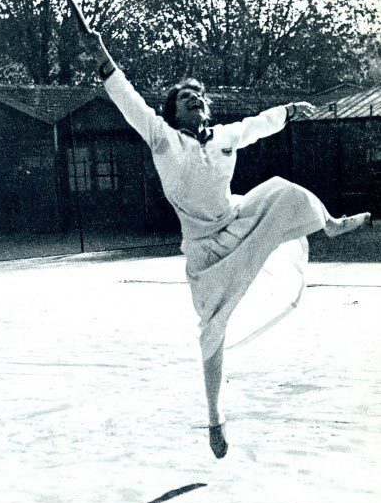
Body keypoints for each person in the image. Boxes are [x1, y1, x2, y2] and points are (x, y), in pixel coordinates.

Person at [80, 31, 371, 459]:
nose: (196, 103)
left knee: (281, 189)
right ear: (172, 112)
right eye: (186, 100)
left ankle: (328, 224)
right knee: (212, 334)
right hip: (203, 252)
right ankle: (215, 421)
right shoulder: (161, 138)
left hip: (236, 220)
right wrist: (101, 56)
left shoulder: (223, 136)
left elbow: (256, 126)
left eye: (200, 99)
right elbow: (128, 100)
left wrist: (288, 110)